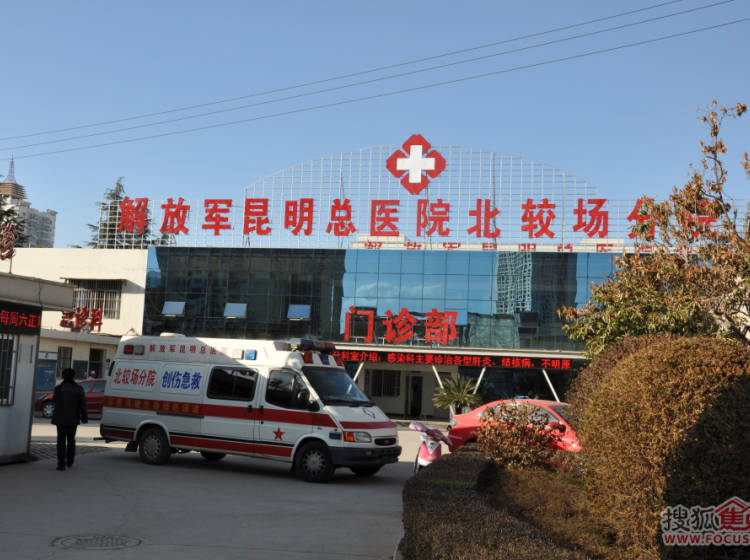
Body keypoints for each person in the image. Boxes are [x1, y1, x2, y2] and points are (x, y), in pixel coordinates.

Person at [51, 368, 88, 471]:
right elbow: (83, 405)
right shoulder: (79, 389)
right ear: (73, 376)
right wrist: (84, 416)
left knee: (61, 440)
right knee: (71, 440)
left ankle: (61, 463)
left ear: (63, 376)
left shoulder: (58, 389)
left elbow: (54, 401)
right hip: (73, 418)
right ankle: (70, 460)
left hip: (60, 418)